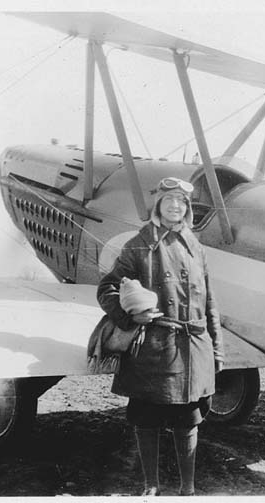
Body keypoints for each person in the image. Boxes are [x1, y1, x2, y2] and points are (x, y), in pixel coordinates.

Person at [97, 176, 224, 496]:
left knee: (188, 419)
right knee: (147, 418)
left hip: (193, 347)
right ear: (158, 205)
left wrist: (217, 349)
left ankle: (188, 488)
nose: (175, 206)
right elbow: (107, 287)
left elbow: (209, 300)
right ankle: (150, 486)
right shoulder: (141, 242)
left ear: (188, 209)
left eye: (181, 202)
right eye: (169, 200)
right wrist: (129, 315)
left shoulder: (196, 246)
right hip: (154, 347)